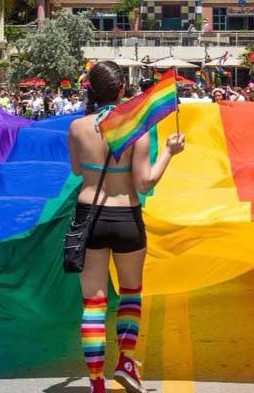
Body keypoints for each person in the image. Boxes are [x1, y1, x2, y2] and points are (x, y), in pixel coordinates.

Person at [68, 61, 185, 393]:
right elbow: (145, 183)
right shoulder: (137, 129)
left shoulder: (77, 127)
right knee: (131, 294)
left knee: (93, 302)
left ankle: (96, 385)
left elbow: (77, 170)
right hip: (126, 217)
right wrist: (168, 152)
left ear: (90, 88)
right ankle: (126, 362)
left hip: (88, 215)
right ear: (122, 89)